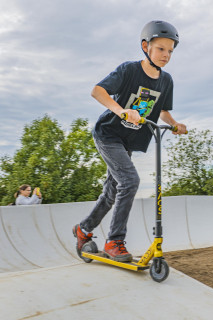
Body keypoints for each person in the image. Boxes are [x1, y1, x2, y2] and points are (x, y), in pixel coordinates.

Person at [73, 21, 187, 262]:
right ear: (146, 46)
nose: (166, 55)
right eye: (160, 49)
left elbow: (161, 110)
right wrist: (122, 111)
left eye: (170, 51)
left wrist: (175, 123)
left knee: (112, 192)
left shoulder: (166, 81)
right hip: (108, 134)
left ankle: (83, 229)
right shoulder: (129, 70)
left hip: (127, 140)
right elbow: (98, 91)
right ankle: (115, 241)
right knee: (130, 181)